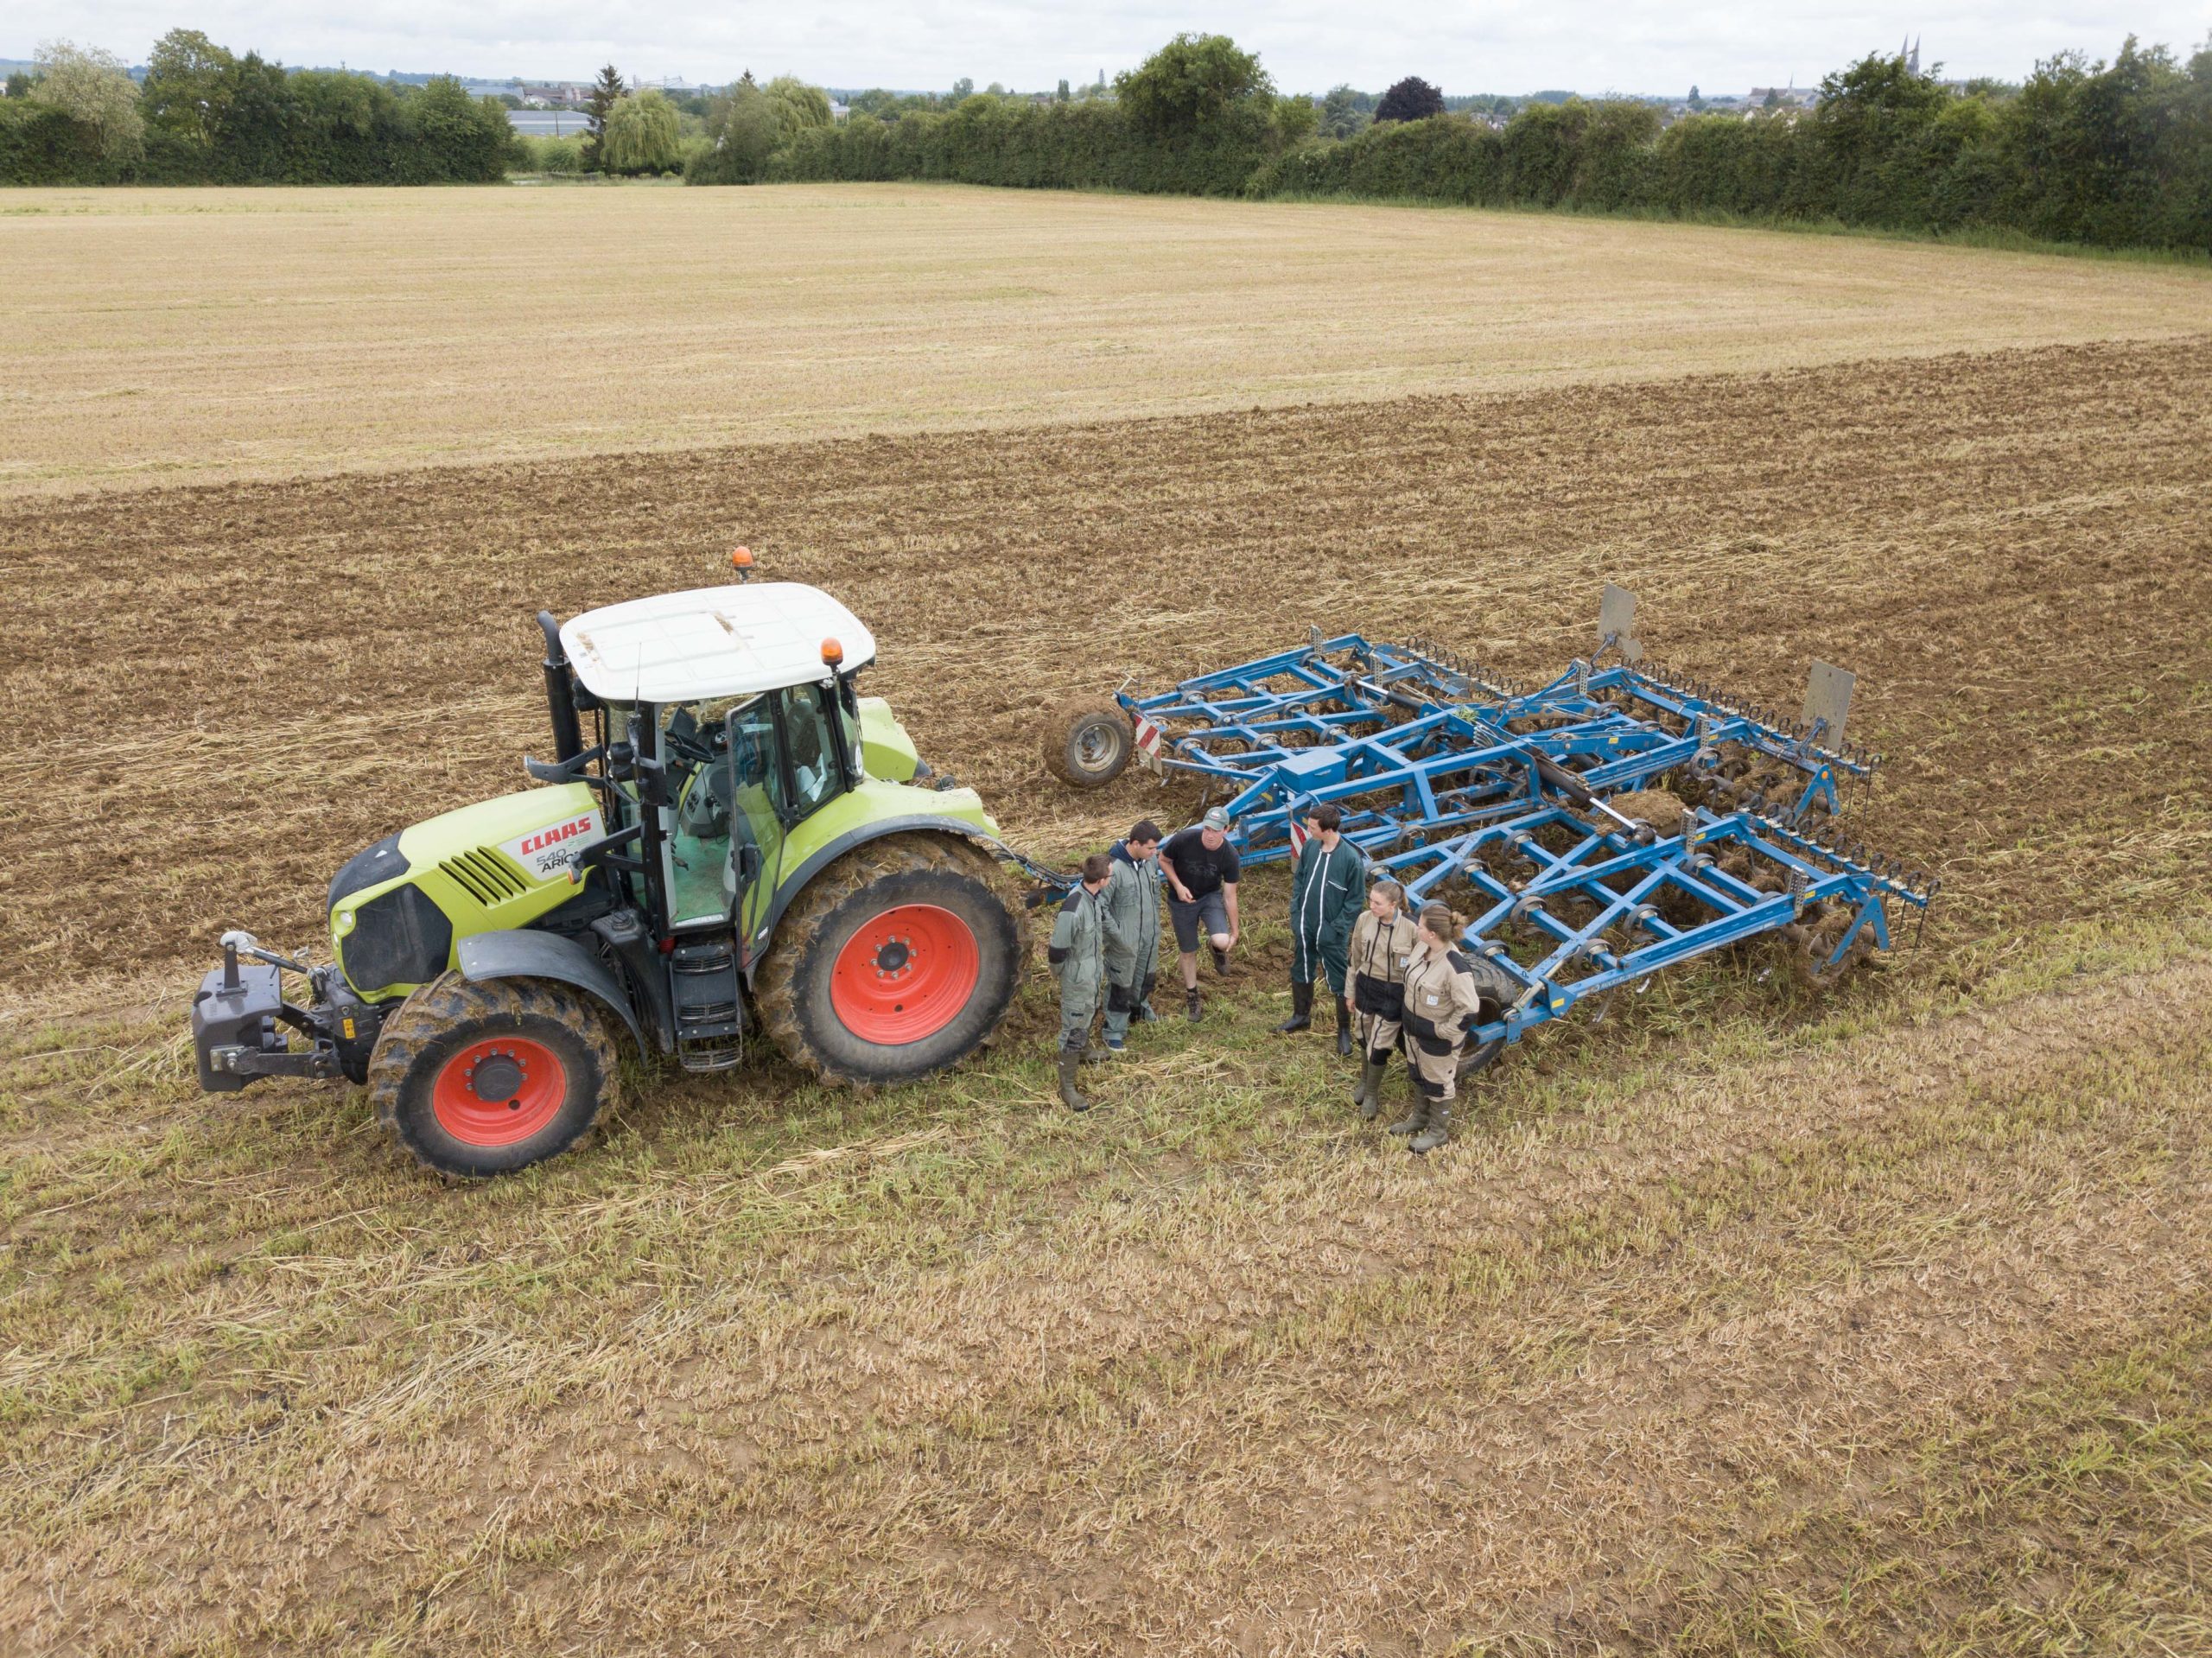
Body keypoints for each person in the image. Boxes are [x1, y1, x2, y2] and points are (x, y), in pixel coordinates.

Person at [1393, 902, 1488, 1154]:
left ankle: (1438, 1132)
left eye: (1421, 926)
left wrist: (1442, 1032)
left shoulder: (1455, 968)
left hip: (1437, 1039)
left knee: (1438, 1083)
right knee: (1418, 1073)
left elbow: (1468, 1009)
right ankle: (1419, 1118)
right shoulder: (1422, 948)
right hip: (1413, 1030)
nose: (1417, 928)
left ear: (1432, 933)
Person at [1277, 802, 1367, 1055]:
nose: (1309, 830)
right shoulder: (1310, 847)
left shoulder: (1350, 859)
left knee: (1338, 978)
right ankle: (1301, 1016)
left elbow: (1355, 900)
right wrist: (1296, 913)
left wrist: (1336, 928)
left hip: (1330, 933)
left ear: (1328, 829)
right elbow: (1300, 879)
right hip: (1305, 924)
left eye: (1313, 827)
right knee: (1301, 966)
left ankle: (1344, 1031)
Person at [1046, 853, 1116, 1112]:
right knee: (1072, 1030)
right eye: (1110, 874)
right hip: (1077, 977)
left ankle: (1085, 1051)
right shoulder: (1074, 907)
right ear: (1100, 879)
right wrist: (1065, 976)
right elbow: (1056, 950)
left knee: (1088, 1012)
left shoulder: (1094, 898)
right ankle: (1067, 1087)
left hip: (1091, 973)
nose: (1112, 878)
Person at [1346, 878, 1419, 1121]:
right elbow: (1354, 957)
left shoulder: (1411, 928)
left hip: (1394, 993)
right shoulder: (1364, 920)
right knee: (1363, 1036)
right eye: (1370, 901)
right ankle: (1365, 1080)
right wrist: (1350, 992)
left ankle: (1371, 1094)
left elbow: (1422, 965)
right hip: (1366, 986)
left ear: (1394, 905)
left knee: (1379, 1045)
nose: (1371, 906)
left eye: (1377, 903)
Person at [1160, 807, 1241, 1022]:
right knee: (1188, 951)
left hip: (1209, 897)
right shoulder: (1185, 839)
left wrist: (1235, 931)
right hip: (1181, 901)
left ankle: (1216, 949)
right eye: (1206, 828)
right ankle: (1193, 995)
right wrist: (1177, 885)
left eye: (1215, 830)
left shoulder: (1230, 855)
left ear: (1226, 830)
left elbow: (1230, 895)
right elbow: (1163, 860)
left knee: (1222, 940)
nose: (1209, 834)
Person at [1100, 819, 1164, 1052]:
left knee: (1145, 975)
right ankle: (1113, 1030)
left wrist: (1155, 924)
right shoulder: (1113, 869)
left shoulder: (1149, 861)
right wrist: (1117, 936)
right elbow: (1101, 907)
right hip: (1123, 941)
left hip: (1149, 934)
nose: (1155, 852)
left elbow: (1155, 892)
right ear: (1135, 844)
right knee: (1120, 984)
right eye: (1150, 848)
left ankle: (1140, 1009)